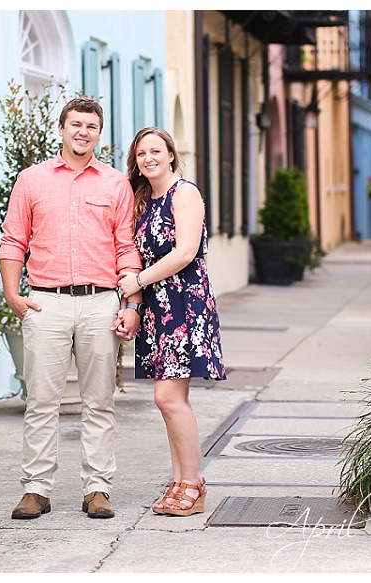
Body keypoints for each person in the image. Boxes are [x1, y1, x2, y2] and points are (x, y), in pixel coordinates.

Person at [0, 96, 143, 520]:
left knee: (99, 401)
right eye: (76, 124)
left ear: (100, 134)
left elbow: (126, 247)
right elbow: (13, 240)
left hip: (101, 301)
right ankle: (36, 489)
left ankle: (98, 488)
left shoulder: (115, 183)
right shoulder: (32, 180)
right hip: (46, 303)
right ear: (61, 128)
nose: (83, 132)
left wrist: (131, 303)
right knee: (42, 400)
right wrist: (13, 293)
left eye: (92, 127)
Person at [117, 127, 226, 517]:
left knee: (167, 398)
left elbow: (185, 252)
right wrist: (134, 300)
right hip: (158, 309)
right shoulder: (144, 201)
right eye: (142, 153)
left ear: (170, 155)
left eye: (155, 151)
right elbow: (135, 257)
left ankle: (193, 484)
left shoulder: (186, 193)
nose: (149, 158)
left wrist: (140, 281)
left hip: (184, 305)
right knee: (172, 401)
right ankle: (181, 480)